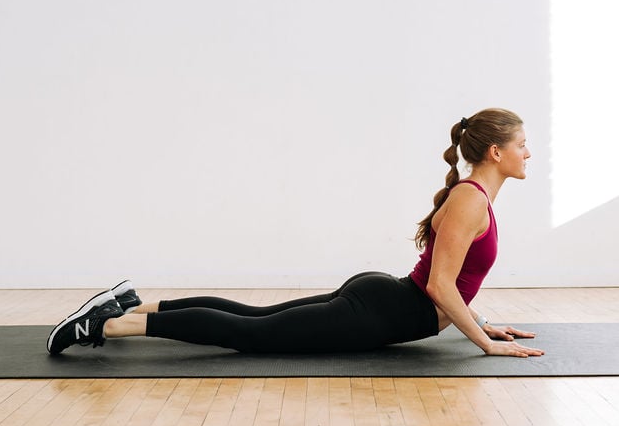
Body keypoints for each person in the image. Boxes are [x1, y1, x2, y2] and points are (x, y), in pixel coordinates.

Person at [47, 108, 544, 359]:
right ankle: (107, 324)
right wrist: (484, 343)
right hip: (386, 310)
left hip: (387, 301)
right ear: (495, 152)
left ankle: (130, 305)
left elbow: (449, 281)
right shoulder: (470, 200)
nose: (530, 153)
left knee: (256, 319)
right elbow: (438, 285)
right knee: (253, 334)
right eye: (523, 144)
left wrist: (481, 320)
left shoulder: (473, 198)